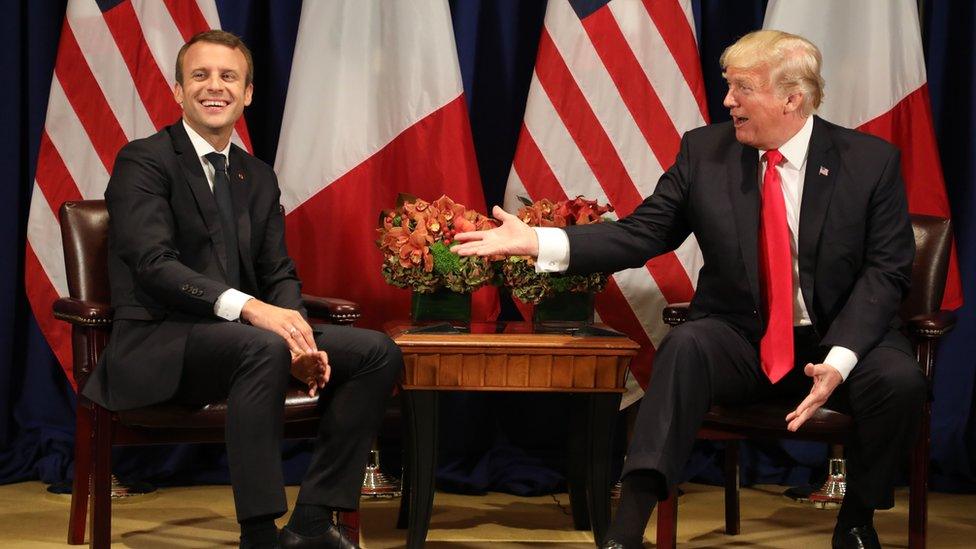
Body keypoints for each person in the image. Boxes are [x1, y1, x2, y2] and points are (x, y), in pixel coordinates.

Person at [455, 30, 924, 549]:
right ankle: (626, 531)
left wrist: (839, 359)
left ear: (791, 98)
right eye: (729, 87)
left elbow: (887, 271)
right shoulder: (706, 152)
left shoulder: (869, 161)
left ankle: (856, 518)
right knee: (684, 347)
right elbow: (642, 233)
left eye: (742, 89)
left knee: (899, 379)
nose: (727, 102)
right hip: (743, 338)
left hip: (839, 336)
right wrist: (539, 241)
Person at [82, 30, 402, 549]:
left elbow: (278, 272)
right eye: (200, 76)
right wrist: (255, 313)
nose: (215, 87)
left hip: (246, 342)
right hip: (162, 343)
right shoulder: (143, 160)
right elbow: (152, 263)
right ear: (179, 92)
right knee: (261, 344)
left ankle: (314, 519)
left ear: (248, 93)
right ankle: (259, 532)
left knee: (375, 351)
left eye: (229, 76)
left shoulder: (257, 175)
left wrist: (299, 338)